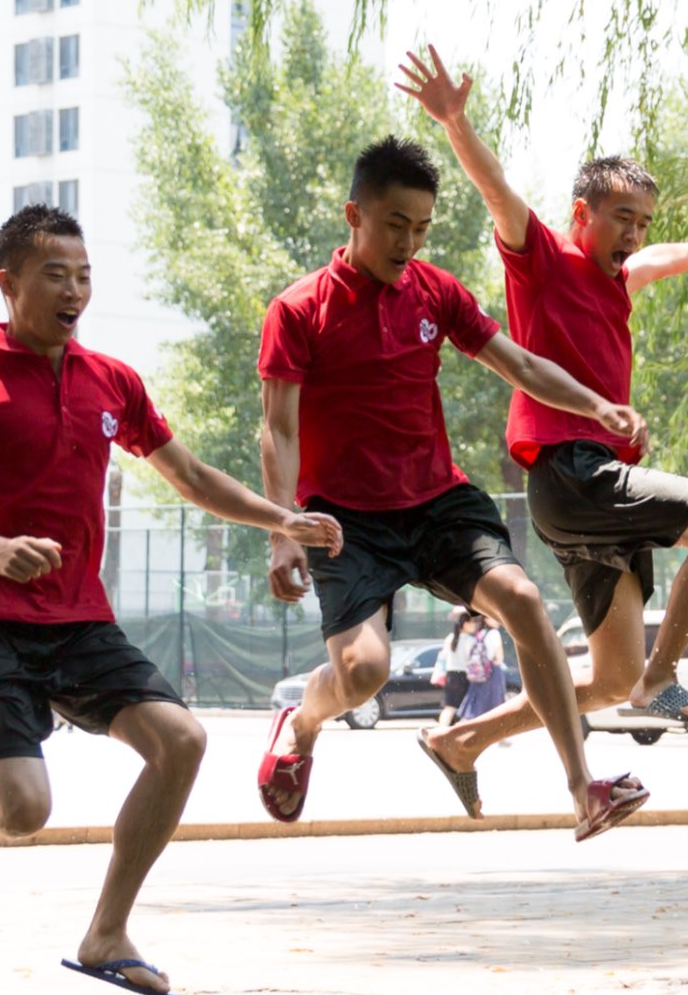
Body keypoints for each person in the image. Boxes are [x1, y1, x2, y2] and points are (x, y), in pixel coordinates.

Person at [0, 204, 342, 995]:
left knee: (181, 740)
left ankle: (107, 932)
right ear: (9, 283)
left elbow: (194, 477)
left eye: (84, 275)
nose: (75, 291)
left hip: (77, 620)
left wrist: (284, 517)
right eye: (54, 275)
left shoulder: (112, 382)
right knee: (25, 808)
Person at [255, 134, 649, 838]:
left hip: (436, 501)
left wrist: (595, 404)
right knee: (364, 673)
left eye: (422, 228)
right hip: (343, 519)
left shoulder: (436, 292)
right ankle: (301, 721)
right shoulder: (298, 309)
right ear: (355, 215)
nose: (409, 243)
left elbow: (520, 364)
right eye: (394, 225)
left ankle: (582, 785)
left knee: (524, 601)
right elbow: (279, 430)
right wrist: (283, 529)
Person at [392, 46, 688, 797]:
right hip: (573, 470)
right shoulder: (544, 260)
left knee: (608, 678)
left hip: (581, 501)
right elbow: (495, 190)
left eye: (642, 222)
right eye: (621, 219)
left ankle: (463, 741)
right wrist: (456, 121)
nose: (632, 235)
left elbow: (655, 260)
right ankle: (666, 673)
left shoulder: (621, 278)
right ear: (580, 216)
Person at [456, 612, 509, 721]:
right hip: (492, 671)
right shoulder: (494, 633)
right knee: (494, 703)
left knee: (479, 703)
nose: (498, 621)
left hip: (479, 672)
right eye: (495, 618)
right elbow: (499, 658)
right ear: (486, 619)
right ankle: (493, 731)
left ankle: (473, 727)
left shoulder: (480, 633)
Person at [435, 611, 480, 724]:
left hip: (451, 675)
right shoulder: (471, 641)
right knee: (466, 708)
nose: (474, 625)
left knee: (450, 707)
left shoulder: (449, 638)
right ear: (465, 624)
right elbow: (472, 661)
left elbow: (442, 657)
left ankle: (442, 731)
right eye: (472, 622)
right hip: (464, 676)